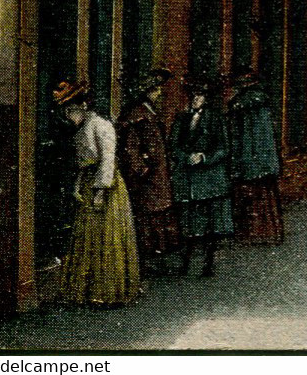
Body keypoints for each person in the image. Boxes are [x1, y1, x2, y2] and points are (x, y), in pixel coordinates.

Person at [54, 80, 141, 306]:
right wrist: (78, 184)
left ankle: (108, 292)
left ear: (83, 106)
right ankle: (86, 290)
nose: (69, 116)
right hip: (88, 183)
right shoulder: (81, 128)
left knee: (107, 236)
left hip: (107, 187)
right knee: (88, 237)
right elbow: (84, 163)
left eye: (72, 110)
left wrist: (101, 191)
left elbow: (107, 162)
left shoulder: (102, 126)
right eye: (66, 112)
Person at [116, 69, 179, 274]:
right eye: (156, 89)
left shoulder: (149, 111)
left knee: (158, 216)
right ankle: (146, 261)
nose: (159, 93)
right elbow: (131, 148)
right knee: (147, 217)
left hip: (157, 175)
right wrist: (141, 170)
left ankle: (157, 259)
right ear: (147, 92)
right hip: (147, 178)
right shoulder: (138, 114)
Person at [169, 78, 234, 277]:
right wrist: (186, 157)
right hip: (188, 176)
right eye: (193, 96)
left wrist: (204, 157)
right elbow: (172, 146)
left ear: (206, 98)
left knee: (211, 226)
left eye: (199, 96)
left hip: (210, 178)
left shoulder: (216, 119)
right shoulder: (181, 119)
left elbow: (224, 149)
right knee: (189, 223)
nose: (195, 99)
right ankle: (186, 264)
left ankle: (208, 265)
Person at [228, 72, 285, 245]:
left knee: (250, 197)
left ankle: (252, 234)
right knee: (264, 199)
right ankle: (268, 233)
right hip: (263, 161)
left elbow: (243, 137)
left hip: (250, 160)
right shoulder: (260, 104)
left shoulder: (244, 105)